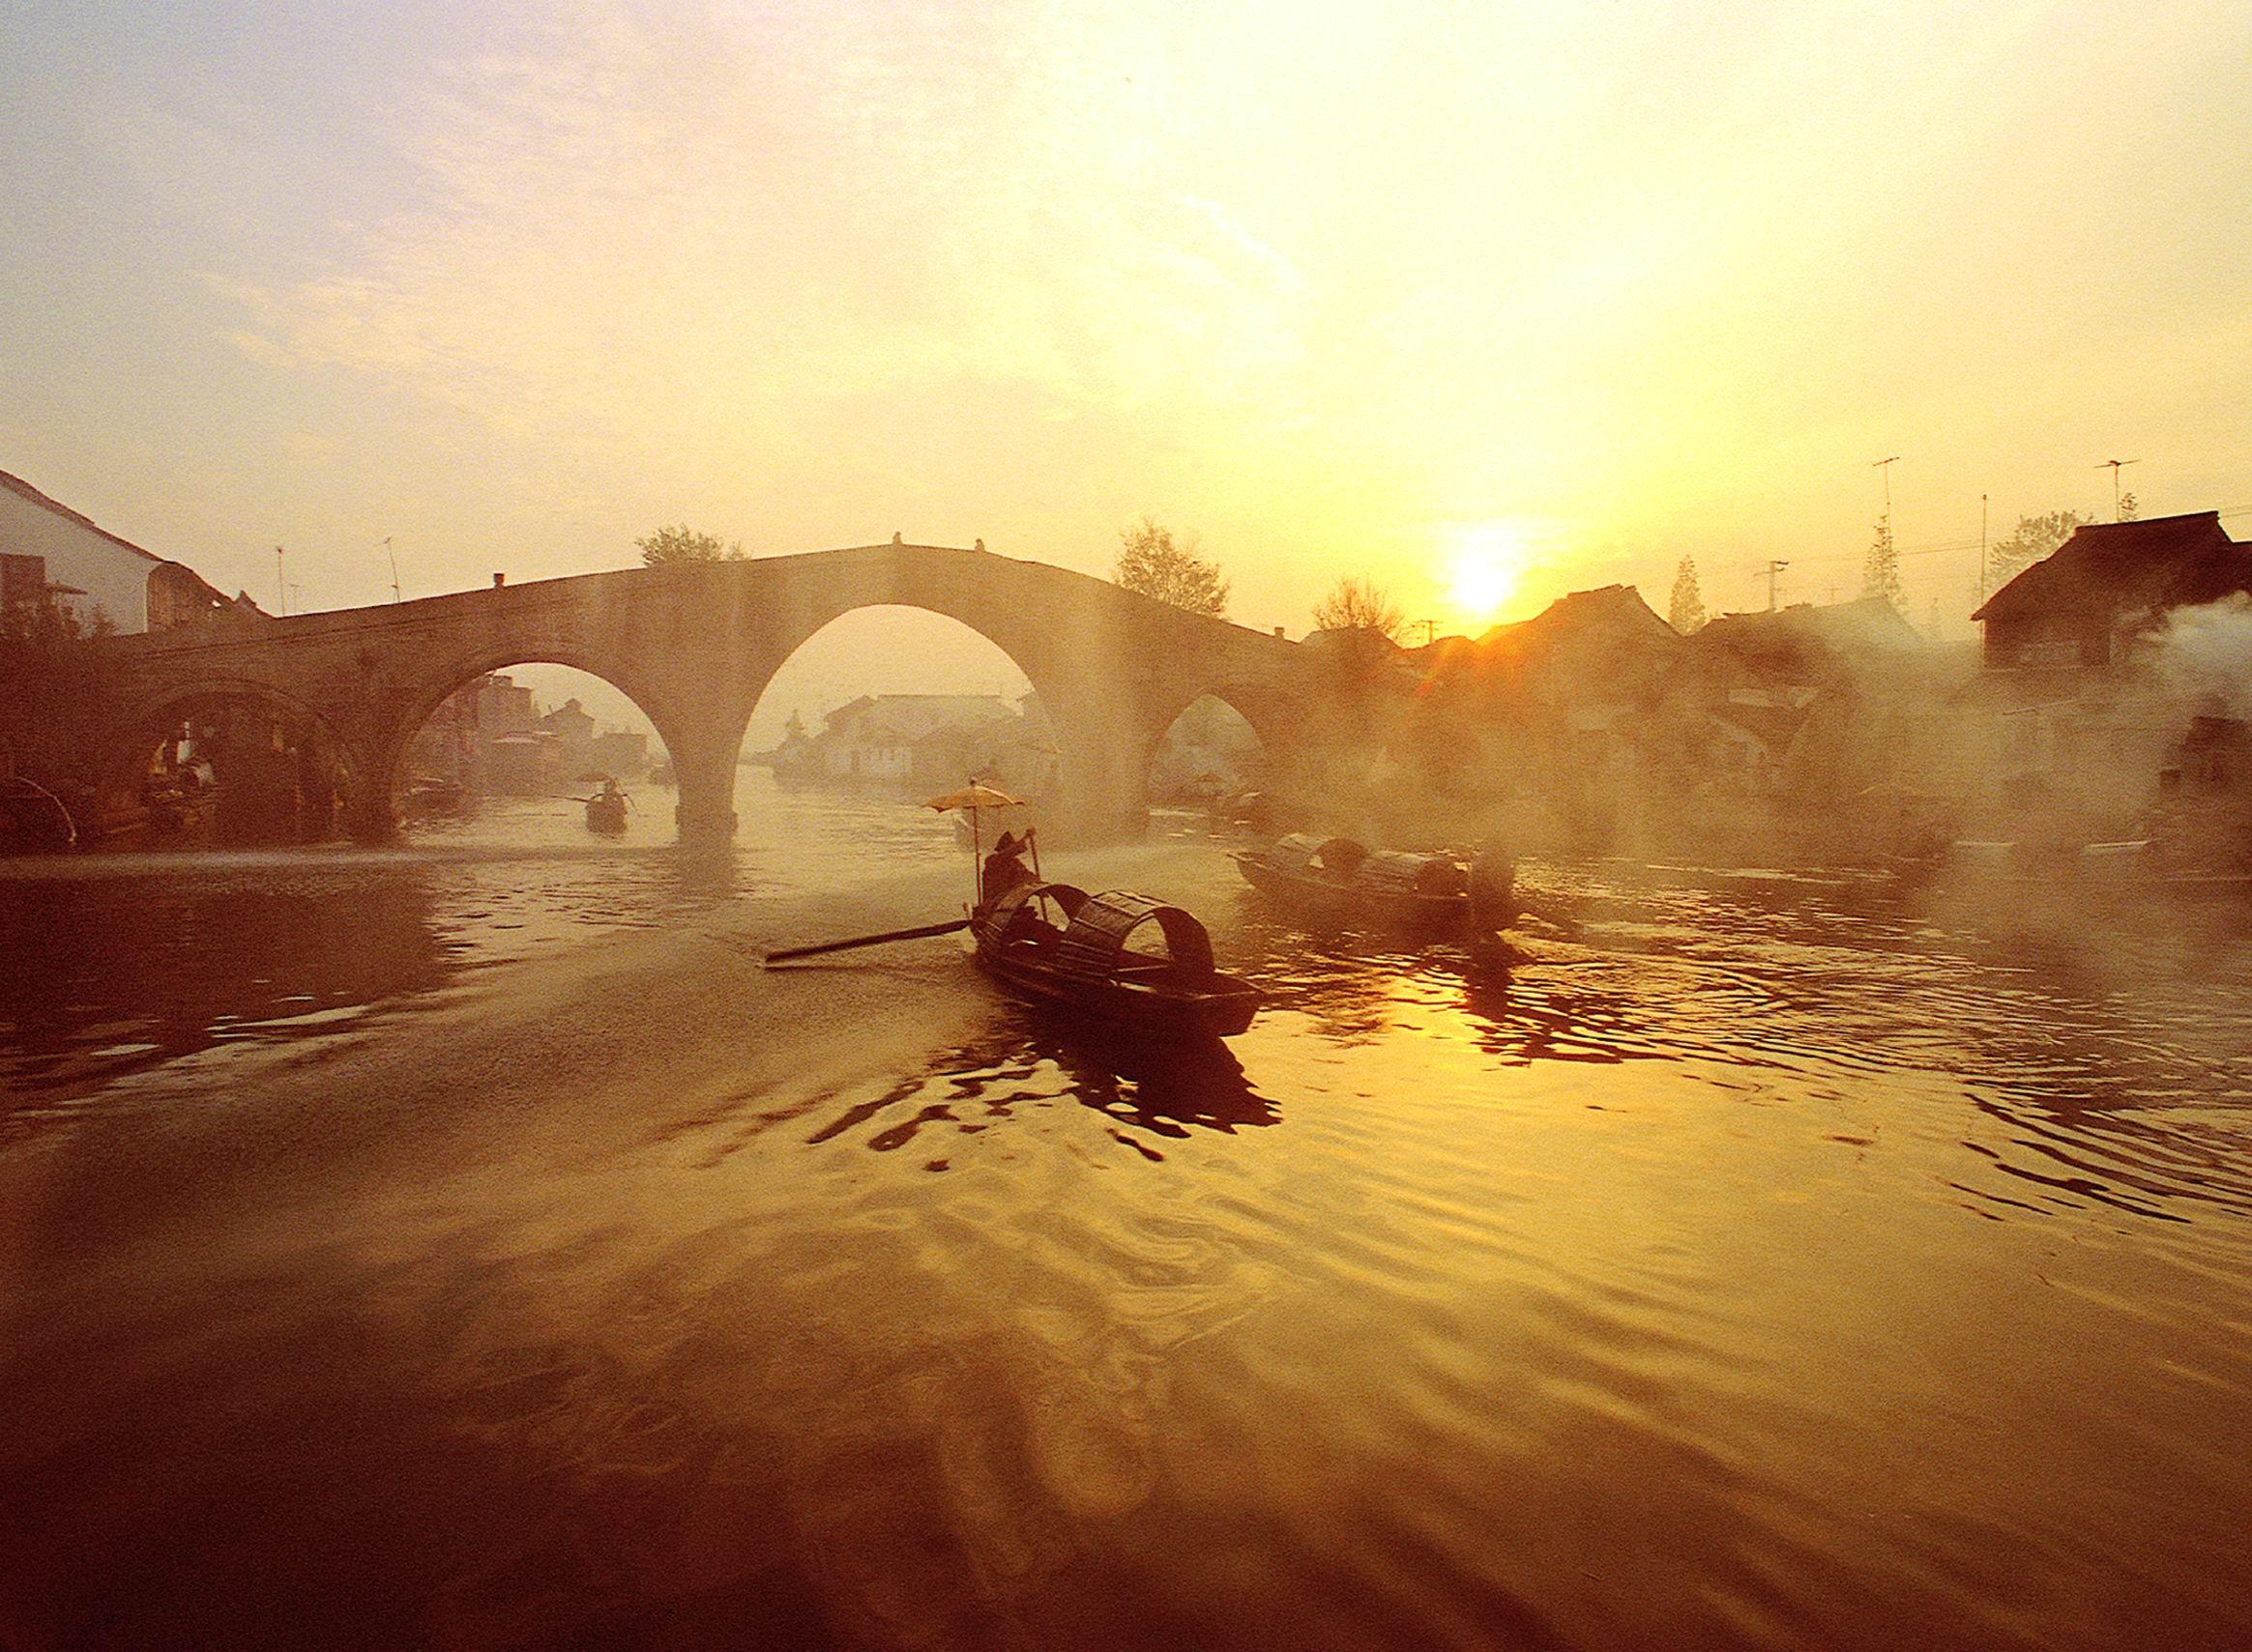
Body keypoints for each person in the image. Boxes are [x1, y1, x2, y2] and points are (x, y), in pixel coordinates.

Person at [981, 827, 1033, 905]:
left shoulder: (1015, 863)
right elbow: (1007, 853)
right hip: (994, 903)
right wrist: (1025, 837)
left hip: (1012, 904)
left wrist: (1040, 887)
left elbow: (1028, 876)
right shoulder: (994, 861)